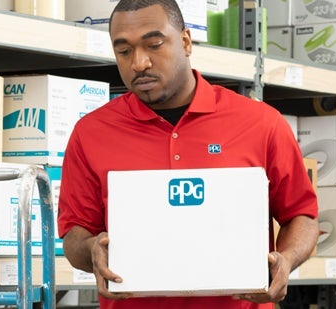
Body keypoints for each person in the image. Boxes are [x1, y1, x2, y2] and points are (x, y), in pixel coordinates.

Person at [57, 0, 319, 308]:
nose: (139, 63)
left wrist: (285, 260)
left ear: (185, 41)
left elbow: (302, 215)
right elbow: (75, 234)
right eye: (124, 51)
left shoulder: (261, 123)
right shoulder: (91, 133)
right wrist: (92, 251)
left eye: (154, 44)